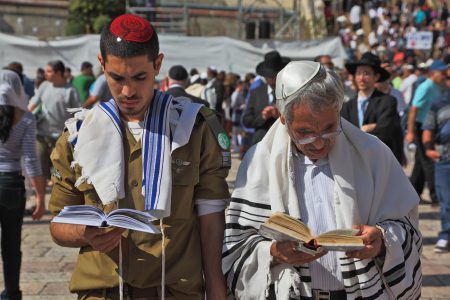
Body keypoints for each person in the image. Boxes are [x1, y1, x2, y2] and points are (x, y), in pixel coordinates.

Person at [48, 14, 230, 300]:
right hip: (102, 291)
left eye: (140, 77)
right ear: (102, 64)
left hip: (172, 290)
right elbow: (58, 223)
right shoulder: (79, 135)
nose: (128, 90)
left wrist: (217, 290)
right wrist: (84, 233)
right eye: (116, 78)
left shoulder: (193, 130)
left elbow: (210, 223)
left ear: (158, 65)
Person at [223, 61, 422, 299]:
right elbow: (236, 242)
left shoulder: (373, 154)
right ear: (283, 118)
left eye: (329, 128)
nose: (318, 142)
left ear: (338, 111)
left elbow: (408, 228)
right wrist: (275, 251)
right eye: (305, 132)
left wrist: (381, 241)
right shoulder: (259, 162)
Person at [0, 70, 45, 300]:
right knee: (11, 245)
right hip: (11, 186)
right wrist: (40, 196)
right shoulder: (25, 118)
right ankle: (11, 293)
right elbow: (30, 159)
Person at [341, 52, 404, 163]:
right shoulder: (347, 106)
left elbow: (384, 132)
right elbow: (343, 133)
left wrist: (357, 134)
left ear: (376, 77)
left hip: (380, 160)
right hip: (355, 162)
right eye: (358, 73)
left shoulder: (388, 101)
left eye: (366, 73)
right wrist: (367, 129)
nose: (361, 78)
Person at [28, 60, 80, 180]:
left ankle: (56, 191)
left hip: (60, 137)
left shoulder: (70, 90)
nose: (46, 73)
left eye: (49, 71)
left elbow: (77, 113)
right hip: (41, 135)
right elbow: (33, 104)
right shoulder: (44, 86)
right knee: (39, 164)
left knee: (59, 167)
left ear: (58, 73)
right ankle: (40, 195)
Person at [406, 60, 447, 205]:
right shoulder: (426, 87)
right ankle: (436, 196)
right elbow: (413, 109)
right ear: (432, 73)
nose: (443, 76)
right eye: (441, 73)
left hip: (430, 127)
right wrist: (410, 131)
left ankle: (412, 193)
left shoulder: (440, 86)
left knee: (420, 162)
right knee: (428, 161)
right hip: (420, 127)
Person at [422, 69, 450, 253]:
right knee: (446, 199)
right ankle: (446, 236)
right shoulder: (438, 104)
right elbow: (428, 129)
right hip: (445, 159)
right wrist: (428, 150)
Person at [242, 50, 290, 145]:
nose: (273, 81)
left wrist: (281, 116)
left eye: (276, 76)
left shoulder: (290, 90)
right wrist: (263, 117)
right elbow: (246, 120)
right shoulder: (257, 92)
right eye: (269, 77)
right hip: (261, 141)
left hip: (285, 140)